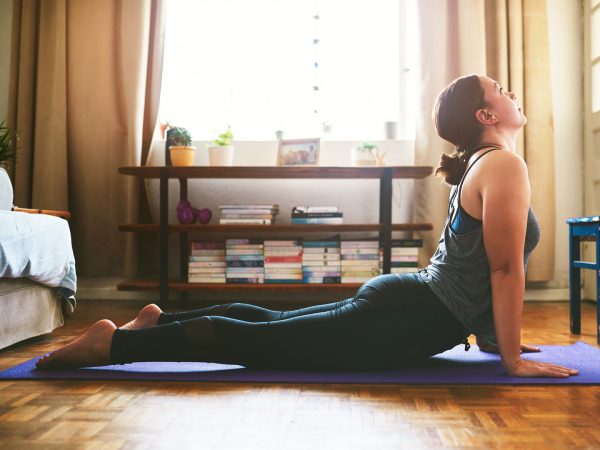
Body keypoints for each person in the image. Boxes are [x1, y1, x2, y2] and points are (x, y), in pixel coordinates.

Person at [37, 75, 578, 378]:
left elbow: (482, 266)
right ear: (486, 116)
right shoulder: (504, 165)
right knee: (263, 344)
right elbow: (504, 269)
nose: (511, 91)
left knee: (272, 323)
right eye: (501, 89)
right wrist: (509, 359)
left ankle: (155, 322)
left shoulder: (485, 164)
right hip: (406, 319)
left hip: (408, 304)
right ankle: (112, 348)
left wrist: (495, 339)